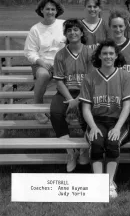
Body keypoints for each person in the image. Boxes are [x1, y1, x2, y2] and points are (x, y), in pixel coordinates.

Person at [79, 40, 130, 198]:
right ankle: (98, 182)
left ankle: (109, 183)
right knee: (96, 143)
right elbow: (86, 108)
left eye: (111, 53)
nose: (108, 56)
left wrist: (117, 128)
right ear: (99, 56)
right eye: (105, 53)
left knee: (112, 143)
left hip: (118, 121)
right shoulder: (90, 78)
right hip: (97, 120)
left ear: (116, 56)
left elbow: (127, 106)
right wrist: (93, 127)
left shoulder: (125, 76)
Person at [50, 19, 93, 172]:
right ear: (65, 34)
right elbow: (59, 82)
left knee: (90, 112)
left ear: (82, 33)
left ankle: (84, 149)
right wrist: (70, 100)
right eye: (69, 30)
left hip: (86, 92)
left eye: (76, 30)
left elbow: (91, 80)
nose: (72, 33)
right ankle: (70, 152)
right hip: (66, 91)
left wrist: (78, 100)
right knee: (55, 112)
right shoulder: (61, 55)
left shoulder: (90, 52)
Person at [24, 0, 66, 124]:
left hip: (62, 62)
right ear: (41, 10)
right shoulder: (35, 29)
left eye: (53, 9)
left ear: (57, 10)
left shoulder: (64, 25)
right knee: (43, 75)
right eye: (47, 9)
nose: (50, 12)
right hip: (42, 63)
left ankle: (71, 110)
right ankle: (38, 108)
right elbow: (29, 52)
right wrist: (41, 62)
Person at [108, 9, 130, 75]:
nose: (118, 29)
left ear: (125, 26)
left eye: (120, 26)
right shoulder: (105, 47)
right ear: (110, 27)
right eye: (114, 26)